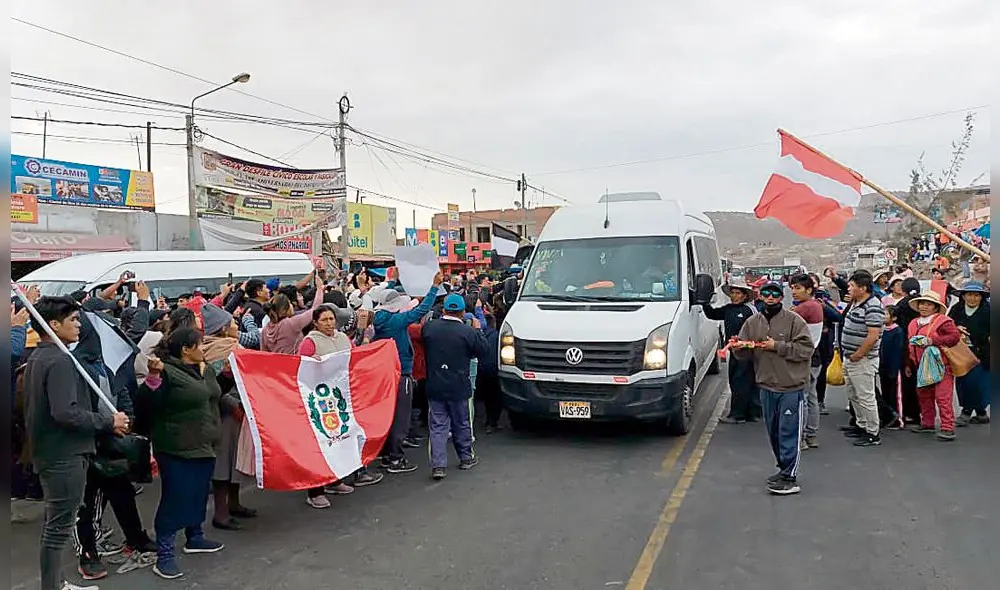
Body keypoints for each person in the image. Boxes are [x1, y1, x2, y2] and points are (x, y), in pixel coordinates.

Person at [23, 296, 129, 590]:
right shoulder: (58, 360)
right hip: (64, 455)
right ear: (53, 325)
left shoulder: (42, 357)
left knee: (55, 525)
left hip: (53, 453)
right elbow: (65, 412)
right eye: (73, 320)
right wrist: (108, 422)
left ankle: (56, 582)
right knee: (58, 529)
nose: (79, 325)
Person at [141, 328, 225, 579]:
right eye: (200, 344)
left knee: (199, 492)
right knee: (175, 498)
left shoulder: (205, 368)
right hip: (177, 448)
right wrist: (153, 378)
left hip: (206, 445)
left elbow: (213, 397)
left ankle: (195, 537)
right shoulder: (167, 372)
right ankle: (164, 555)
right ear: (185, 349)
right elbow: (145, 404)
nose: (204, 348)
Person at [733, 282, 814, 496]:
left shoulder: (794, 321)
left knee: (789, 432)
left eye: (775, 294)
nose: (770, 298)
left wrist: (776, 347)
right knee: (774, 433)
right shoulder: (753, 322)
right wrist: (740, 348)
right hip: (766, 386)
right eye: (766, 294)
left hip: (790, 387)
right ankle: (783, 469)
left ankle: (790, 477)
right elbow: (743, 353)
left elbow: (806, 350)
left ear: (781, 297)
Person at [372, 275, 444, 474]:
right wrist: (434, 287)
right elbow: (420, 310)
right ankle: (396, 458)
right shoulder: (396, 321)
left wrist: (392, 281)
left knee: (389, 415)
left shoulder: (377, 318)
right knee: (401, 418)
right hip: (401, 373)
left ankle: (387, 455)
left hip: (384, 373)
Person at [199, 304, 257, 530]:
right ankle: (221, 514)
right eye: (232, 323)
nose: (236, 326)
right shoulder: (222, 351)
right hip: (225, 414)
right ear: (223, 329)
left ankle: (234, 504)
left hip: (236, 412)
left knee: (235, 460)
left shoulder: (214, 347)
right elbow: (215, 389)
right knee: (224, 463)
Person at [421, 293, 490, 480]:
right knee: (462, 423)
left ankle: (438, 466)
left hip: (435, 385)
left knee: (437, 426)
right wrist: (478, 331)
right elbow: (483, 351)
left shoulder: (429, 328)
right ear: (462, 312)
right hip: (459, 386)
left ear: (444, 310)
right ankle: (466, 458)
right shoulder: (468, 332)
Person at [905, 291, 961, 441]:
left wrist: (932, 340)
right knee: (924, 395)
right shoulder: (913, 323)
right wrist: (909, 363)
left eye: (928, 304)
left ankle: (948, 427)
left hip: (941, 365)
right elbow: (909, 345)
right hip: (920, 366)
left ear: (935, 307)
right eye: (922, 303)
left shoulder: (943, 320)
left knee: (943, 397)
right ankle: (927, 423)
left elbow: (954, 337)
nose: (924, 306)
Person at [838, 271, 885, 447]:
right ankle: (861, 424)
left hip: (862, 359)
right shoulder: (855, 303)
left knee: (865, 396)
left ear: (862, 288)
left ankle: (872, 432)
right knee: (853, 394)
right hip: (849, 356)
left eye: (851, 286)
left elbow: (873, 334)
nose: (849, 289)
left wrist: (859, 353)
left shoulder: (872, 306)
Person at [704, 278, 760, 424]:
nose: (734, 295)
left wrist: (745, 343)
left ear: (745, 295)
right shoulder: (729, 309)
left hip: (747, 353)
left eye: (738, 293)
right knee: (736, 381)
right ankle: (749, 413)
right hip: (734, 352)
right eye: (733, 293)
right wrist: (704, 301)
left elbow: (757, 331)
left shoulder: (750, 310)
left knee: (741, 382)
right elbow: (712, 314)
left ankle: (738, 415)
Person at [789, 274, 824, 449]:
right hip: (814, 356)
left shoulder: (806, 307)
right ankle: (811, 435)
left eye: (798, 288)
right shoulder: (815, 305)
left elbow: (783, 319)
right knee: (811, 397)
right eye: (792, 288)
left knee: (802, 398)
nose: (793, 292)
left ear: (809, 290)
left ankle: (802, 437)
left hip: (805, 358)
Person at [948, 282, 990, 426]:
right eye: (969, 295)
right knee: (963, 382)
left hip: (983, 353)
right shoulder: (956, 309)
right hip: (961, 353)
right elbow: (946, 325)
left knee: (979, 383)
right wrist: (956, 328)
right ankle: (979, 413)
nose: (972, 298)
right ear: (963, 296)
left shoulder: (988, 310)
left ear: (981, 297)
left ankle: (969, 412)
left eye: (976, 295)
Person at [878, 305, 906, 429]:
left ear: (894, 317)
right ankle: (887, 417)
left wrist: (894, 369)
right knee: (885, 393)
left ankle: (898, 419)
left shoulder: (898, 331)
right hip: (883, 367)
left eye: (886, 314)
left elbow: (898, 351)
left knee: (895, 394)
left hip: (894, 368)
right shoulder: (882, 330)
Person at [476, 312, 503, 433]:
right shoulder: (498, 336)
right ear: (494, 324)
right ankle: (493, 422)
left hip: (480, 371)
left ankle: (488, 421)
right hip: (494, 371)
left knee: (486, 398)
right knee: (496, 398)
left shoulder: (479, 335)